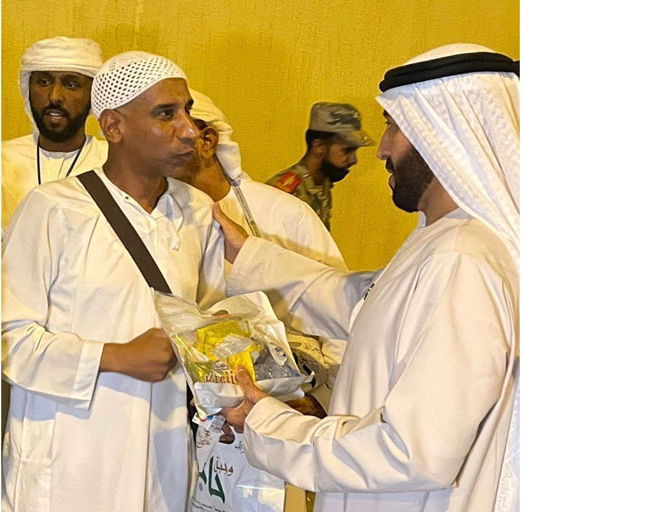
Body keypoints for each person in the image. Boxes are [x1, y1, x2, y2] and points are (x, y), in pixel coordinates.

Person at [217, 43, 520, 512]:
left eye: (393, 127)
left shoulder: (462, 260)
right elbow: (366, 305)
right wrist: (245, 253)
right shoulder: (442, 242)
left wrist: (268, 423)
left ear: (439, 133)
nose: (381, 150)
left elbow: (413, 452)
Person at [1, 51, 224, 512]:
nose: (188, 130)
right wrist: (114, 356)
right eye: (166, 114)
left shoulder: (198, 213)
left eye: (187, 112)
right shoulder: (54, 208)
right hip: (68, 454)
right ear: (114, 127)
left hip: (162, 453)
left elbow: (211, 326)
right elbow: (7, 338)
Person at [177, 89, 348, 412]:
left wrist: (320, 403)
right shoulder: (155, 222)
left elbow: (339, 313)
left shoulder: (285, 213)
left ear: (207, 141)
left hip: (289, 409)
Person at [1, 36, 108, 233]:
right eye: (44, 82)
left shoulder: (113, 164)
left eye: (71, 84)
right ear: (28, 90)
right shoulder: (2, 160)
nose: (54, 96)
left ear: (93, 95)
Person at [266, 102, 374, 230]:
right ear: (319, 147)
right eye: (347, 150)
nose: (353, 160)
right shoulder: (286, 192)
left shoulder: (321, 185)